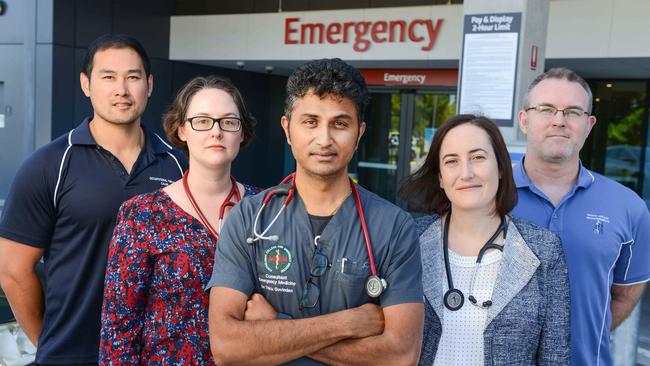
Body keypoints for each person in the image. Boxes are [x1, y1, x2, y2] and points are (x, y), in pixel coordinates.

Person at [207, 58, 424, 365]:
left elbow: (400, 355)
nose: (324, 139)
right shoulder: (249, 218)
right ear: (287, 128)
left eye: (340, 124)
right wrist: (348, 323)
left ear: (360, 132)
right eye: (310, 122)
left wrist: (275, 326)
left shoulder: (393, 227)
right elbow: (227, 347)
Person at [0, 34, 187, 365]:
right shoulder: (49, 165)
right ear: (86, 84)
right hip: (72, 356)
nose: (122, 89)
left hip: (160, 355)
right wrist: (50, 343)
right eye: (108, 77)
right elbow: (12, 271)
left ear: (150, 84)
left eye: (133, 77)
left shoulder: (179, 166)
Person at [98, 75, 260, 365]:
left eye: (229, 121)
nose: (216, 132)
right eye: (202, 121)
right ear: (182, 129)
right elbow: (118, 331)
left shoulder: (268, 210)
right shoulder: (142, 214)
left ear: (242, 132)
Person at [401, 114, 570, 365]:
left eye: (478, 157)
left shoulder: (543, 249)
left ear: (501, 167)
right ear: (440, 177)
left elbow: (555, 356)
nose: (466, 173)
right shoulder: (408, 240)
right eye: (451, 161)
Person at [512, 67, 650, 366]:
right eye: (546, 109)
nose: (559, 121)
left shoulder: (628, 207)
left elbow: (626, 295)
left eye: (573, 112)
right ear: (525, 120)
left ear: (589, 125)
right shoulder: (489, 196)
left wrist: (578, 337)